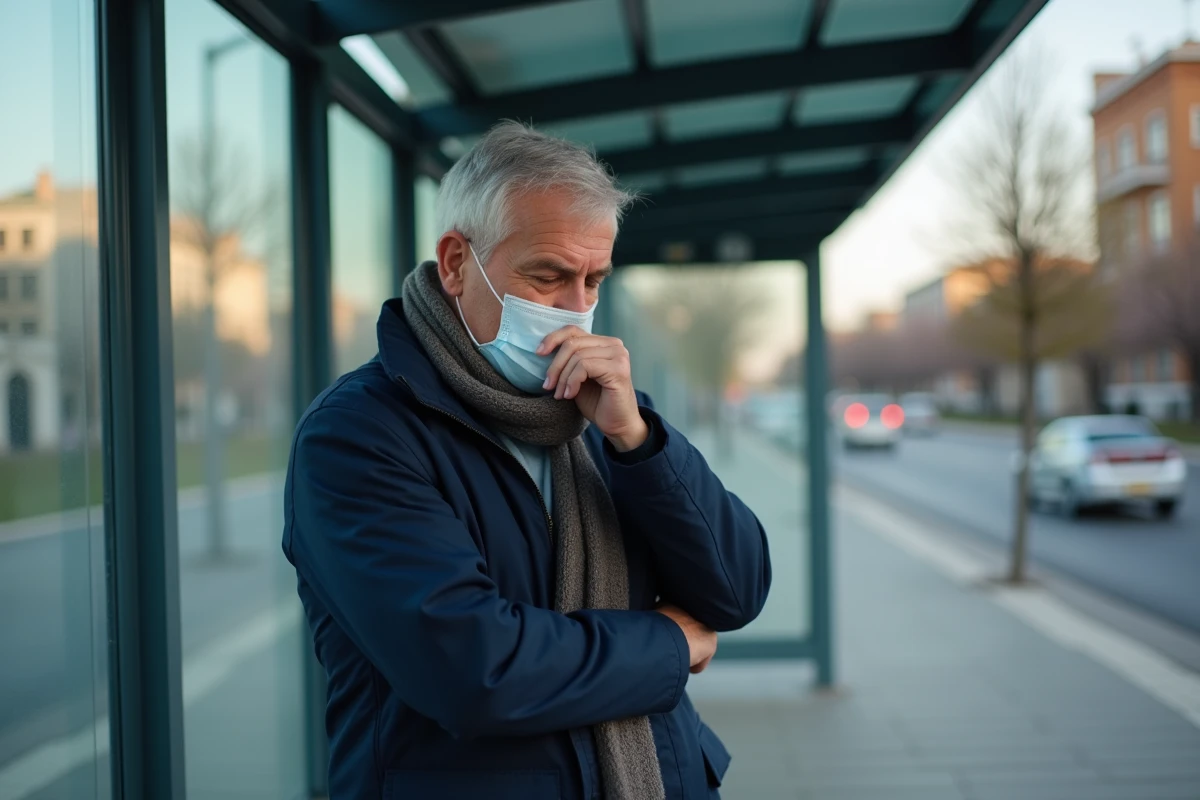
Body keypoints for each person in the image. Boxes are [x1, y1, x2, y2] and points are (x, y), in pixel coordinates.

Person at [283, 121, 772, 800]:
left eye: (594, 281)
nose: (576, 311)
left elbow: (736, 590)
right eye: (549, 276)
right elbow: (474, 669)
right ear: (457, 263)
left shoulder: (605, 412)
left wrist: (639, 441)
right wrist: (664, 643)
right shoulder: (359, 436)